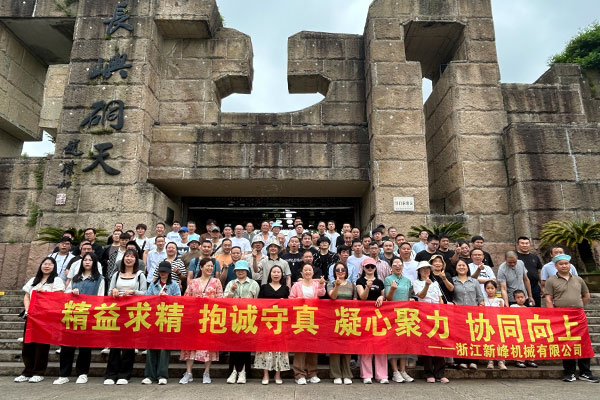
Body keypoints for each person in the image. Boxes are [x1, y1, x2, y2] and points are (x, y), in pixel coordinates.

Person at [545, 254, 599, 383]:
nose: (564, 266)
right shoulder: (551, 281)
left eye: (566, 263)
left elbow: (586, 295)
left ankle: (585, 372)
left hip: (578, 315)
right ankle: (569, 372)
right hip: (561, 316)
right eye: (561, 264)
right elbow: (548, 299)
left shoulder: (578, 279)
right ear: (556, 266)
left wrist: (578, 306)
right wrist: (553, 315)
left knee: (583, 343)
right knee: (566, 343)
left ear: (570, 265)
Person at [53, 253, 105, 385]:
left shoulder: (100, 279)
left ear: (94, 263)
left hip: (88, 316)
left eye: (90, 260)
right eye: (85, 260)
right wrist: (72, 292)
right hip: (72, 315)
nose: (87, 262)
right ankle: (64, 374)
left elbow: (100, 298)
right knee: (67, 346)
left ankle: (82, 373)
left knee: (85, 347)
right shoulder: (75, 278)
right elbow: (66, 293)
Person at [14, 257, 65, 383]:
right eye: (45, 263)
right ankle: (27, 372)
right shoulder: (33, 280)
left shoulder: (56, 280)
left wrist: (45, 293)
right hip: (31, 316)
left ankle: (38, 372)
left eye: (50, 264)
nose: (47, 266)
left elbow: (59, 297)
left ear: (54, 267)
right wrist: (27, 310)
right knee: (28, 344)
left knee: (41, 345)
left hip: (45, 318)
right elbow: (27, 296)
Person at [104, 249, 147, 385]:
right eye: (127, 256)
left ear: (136, 260)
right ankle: (111, 374)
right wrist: (114, 291)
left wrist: (134, 292)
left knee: (129, 344)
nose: (129, 259)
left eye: (132, 257)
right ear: (123, 259)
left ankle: (124, 374)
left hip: (132, 312)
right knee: (114, 343)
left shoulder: (140, 275)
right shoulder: (116, 274)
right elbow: (109, 291)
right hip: (117, 311)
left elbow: (145, 293)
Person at [179, 258, 223, 384]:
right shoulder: (193, 282)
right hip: (194, 318)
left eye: (212, 266)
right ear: (201, 267)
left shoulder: (216, 282)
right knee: (190, 346)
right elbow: (186, 298)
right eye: (207, 266)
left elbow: (220, 299)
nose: (210, 268)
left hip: (209, 318)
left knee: (208, 346)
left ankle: (206, 372)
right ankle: (188, 373)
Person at [143, 261, 181, 385]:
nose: (163, 273)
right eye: (161, 271)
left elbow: (179, 301)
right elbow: (147, 299)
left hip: (167, 319)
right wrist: (156, 298)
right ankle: (150, 375)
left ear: (169, 273)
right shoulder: (153, 284)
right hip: (154, 319)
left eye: (165, 271)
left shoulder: (174, 285)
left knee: (164, 348)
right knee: (151, 347)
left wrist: (167, 297)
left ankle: (162, 375)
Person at [254, 266, 291, 385]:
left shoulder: (285, 288)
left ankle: (277, 374)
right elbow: (259, 304)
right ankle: (265, 374)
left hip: (280, 322)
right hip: (267, 322)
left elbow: (290, 306)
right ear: (270, 274)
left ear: (282, 274)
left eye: (278, 272)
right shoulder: (264, 287)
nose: (276, 274)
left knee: (279, 348)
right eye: (274, 272)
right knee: (266, 348)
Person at [289, 263, 325, 385]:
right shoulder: (296, 285)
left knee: (312, 346)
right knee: (300, 346)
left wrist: (321, 284)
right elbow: (291, 299)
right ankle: (299, 374)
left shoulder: (317, 284)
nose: (308, 272)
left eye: (310, 270)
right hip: (300, 318)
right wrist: (301, 301)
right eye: (305, 270)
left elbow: (321, 294)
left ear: (313, 272)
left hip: (314, 318)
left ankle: (312, 373)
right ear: (301, 273)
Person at [224, 260, 260, 384]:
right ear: (235, 272)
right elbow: (225, 301)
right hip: (234, 318)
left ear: (247, 271)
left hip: (248, 318)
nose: (240, 272)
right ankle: (233, 371)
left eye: (243, 270)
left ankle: (243, 372)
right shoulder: (231, 283)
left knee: (245, 347)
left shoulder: (254, 284)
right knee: (234, 347)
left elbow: (257, 302)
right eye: (238, 270)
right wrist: (232, 290)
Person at [356, 258, 387, 384]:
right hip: (365, 316)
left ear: (375, 268)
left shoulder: (380, 282)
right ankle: (366, 374)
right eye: (367, 266)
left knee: (381, 344)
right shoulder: (360, 281)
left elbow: (384, 296)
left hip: (378, 317)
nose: (369, 269)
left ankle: (382, 375)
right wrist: (367, 287)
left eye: (372, 266)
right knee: (366, 345)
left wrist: (381, 297)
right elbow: (362, 297)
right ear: (363, 268)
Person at [384, 258, 414, 383]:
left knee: (404, 343)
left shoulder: (407, 281)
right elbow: (388, 298)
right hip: (392, 314)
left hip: (405, 314)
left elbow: (409, 296)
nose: (398, 266)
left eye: (400, 264)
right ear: (391, 267)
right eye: (395, 264)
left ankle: (403, 370)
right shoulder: (388, 279)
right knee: (393, 343)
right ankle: (395, 371)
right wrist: (392, 289)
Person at [327, 262, 356, 385]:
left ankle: (347, 374)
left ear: (346, 271)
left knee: (347, 348)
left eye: (343, 269)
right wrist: (337, 286)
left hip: (348, 318)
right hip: (334, 318)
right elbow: (333, 297)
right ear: (334, 272)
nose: (340, 272)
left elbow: (355, 301)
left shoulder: (352, 285)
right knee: (335, 347)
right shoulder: (330, 284)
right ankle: (336, 374)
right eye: (337, 270)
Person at [452, 259, 483, 370]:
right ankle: (461, 360)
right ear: (456, 268)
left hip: (473, 314)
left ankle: (473, 361)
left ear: (467, 267)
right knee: (460, 338)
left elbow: (480, 297)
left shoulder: (474, 281)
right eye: (459, 265)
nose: (461, 267)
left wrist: (481, 306)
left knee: (473, 337)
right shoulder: (453, 281)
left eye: (463, 265)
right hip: (458, 314)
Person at [509, 290, 538, 368]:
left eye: (522, 297)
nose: (520, 299)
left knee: (529, 344)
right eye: (518, 297)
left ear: (525, 298)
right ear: (515, 299)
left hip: (526, 329)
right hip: (517, 329)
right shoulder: (513, 307)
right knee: (519, 345)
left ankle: (530, 360)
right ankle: (519, 360)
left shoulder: (527, 308)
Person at [482, 280, 507, 371]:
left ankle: (501, 361)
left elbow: (503, 312)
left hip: (498, 324)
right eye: (488, 288)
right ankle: (490, 361)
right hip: (487, 324)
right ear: (485, 289)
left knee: (499, 342)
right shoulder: (483, 300)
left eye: (492, 288)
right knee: (489, 343)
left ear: (496, 289)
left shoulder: (500, 300)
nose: (490, 290)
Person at [516, 236, 543, 307]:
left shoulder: (535, 257)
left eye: (526, 243)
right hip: (521, 288)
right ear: (518, 245)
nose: (525, 245)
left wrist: (542, 286)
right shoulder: (515, 257)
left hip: (535, 287)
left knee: (537, 308)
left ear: (530, 244)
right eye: (522, 243)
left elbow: (539, 271)